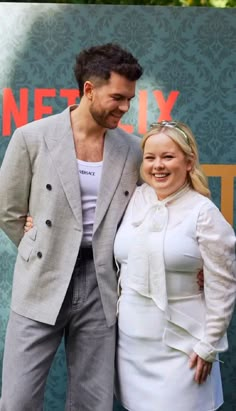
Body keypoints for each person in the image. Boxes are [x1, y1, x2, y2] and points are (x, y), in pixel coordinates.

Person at [0, 43, 143, 411]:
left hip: (101, 281)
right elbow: (7, 208)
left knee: (93, 401)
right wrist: (36, 242)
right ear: (89, 90)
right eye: (117, 97)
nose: (125, 108)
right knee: (17, 400)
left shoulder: (133, 149)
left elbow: (150, 215)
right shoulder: (32, 137)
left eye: (129, 99)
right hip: (42, 275)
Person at [114, 121, 236, 411]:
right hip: (130, 346)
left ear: (189, 161)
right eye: (150, 157)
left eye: (168, 157)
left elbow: (223, 287)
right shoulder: (133, 199)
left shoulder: (203, 212)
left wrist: (209, 346)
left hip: (184, 349)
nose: (158, 166)